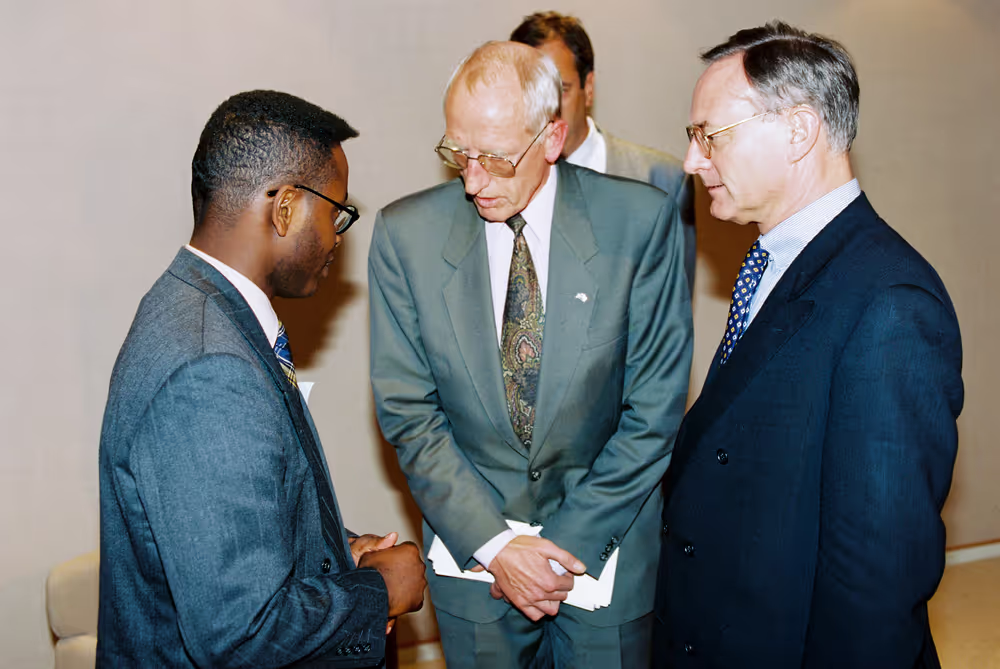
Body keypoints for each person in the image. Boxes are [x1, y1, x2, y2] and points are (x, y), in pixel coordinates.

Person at [369, 41, 692, 668]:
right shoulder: (406, 237)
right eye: (458, 152)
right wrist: (495, 546)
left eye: (494, 158)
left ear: (552, 138)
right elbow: (410, 413)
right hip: (475, 563)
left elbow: (653, 411)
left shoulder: (639, 223)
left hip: (607, 551)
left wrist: (559, 550)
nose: (472, 179)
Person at [654, 22, 963, 668]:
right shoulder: (774, 262)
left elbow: (875, 591)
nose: (691, 162)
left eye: (709, 136)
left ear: (798, 131)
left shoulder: (891, 303)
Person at [97, 90, 426, 668]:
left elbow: (233, 527)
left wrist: (339, 555)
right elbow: (239, 634)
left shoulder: (194, 307)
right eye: (337, 212)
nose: (336, 237)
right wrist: (379, 593)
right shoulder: (209, 367)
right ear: (285, 208)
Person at [511, 11, 696, 291]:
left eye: (560, 89)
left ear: (588, 88)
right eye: (529, 91)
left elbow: (672, 317)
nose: (544, 106)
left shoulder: (661, 181)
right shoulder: (493, 180)